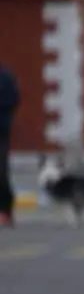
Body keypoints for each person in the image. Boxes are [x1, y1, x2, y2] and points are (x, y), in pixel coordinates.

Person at [0, 64, 19, 227]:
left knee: (1, 172)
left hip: (1, 131)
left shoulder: (5, 77)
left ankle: (5, 210)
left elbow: (13, 99)